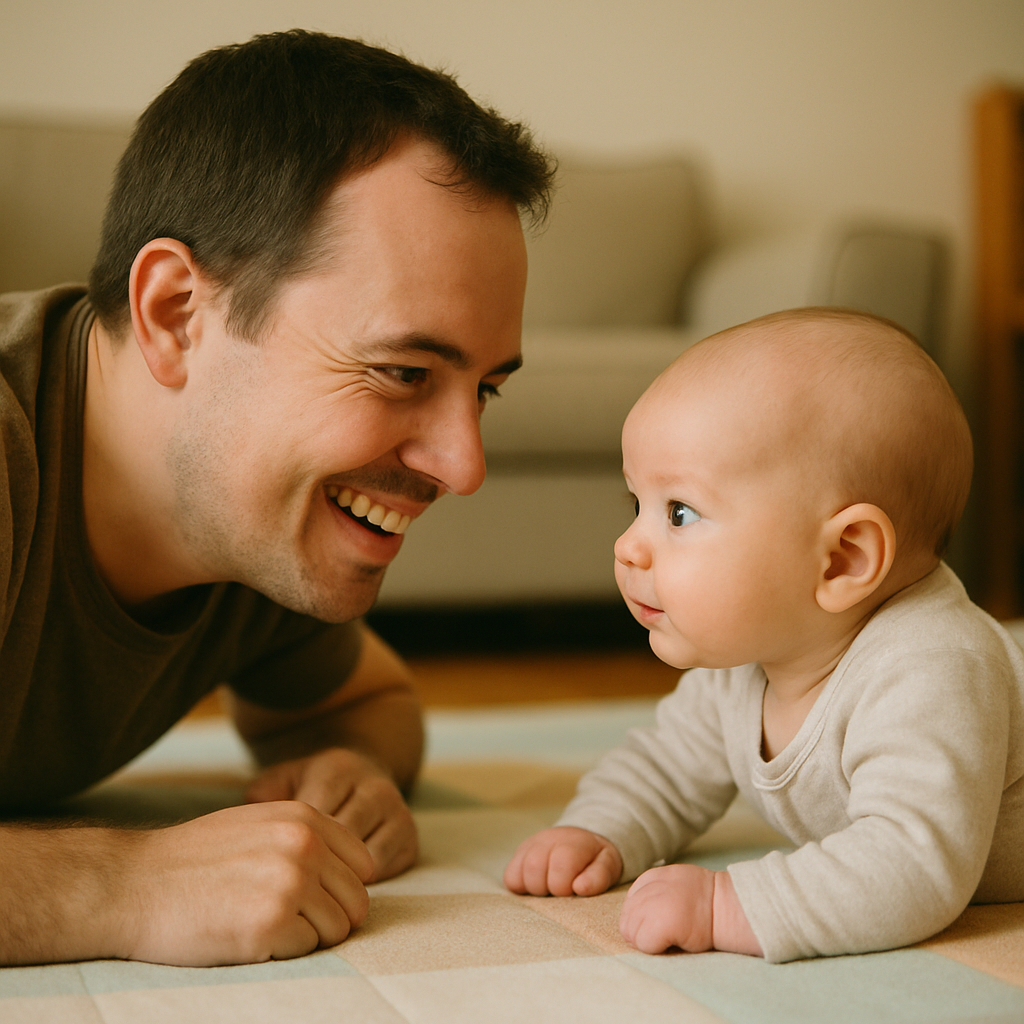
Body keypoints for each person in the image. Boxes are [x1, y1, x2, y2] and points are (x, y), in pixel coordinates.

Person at [0, 30, 553, 966]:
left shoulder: (250, 520)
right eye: (403, 370)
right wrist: (120, 886)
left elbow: (366, 700)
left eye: (485, 391)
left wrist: (352, 769)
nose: (466, 467)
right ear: (177, 313)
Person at [504, 308, 1024, 963]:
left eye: (680, 513)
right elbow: (668, 769)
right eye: (635, 505)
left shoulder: (932, 671)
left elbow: (914, 864)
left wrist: (730, 904)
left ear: (841, 560)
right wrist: (600, 829)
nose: (629, 546)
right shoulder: (746, 664)